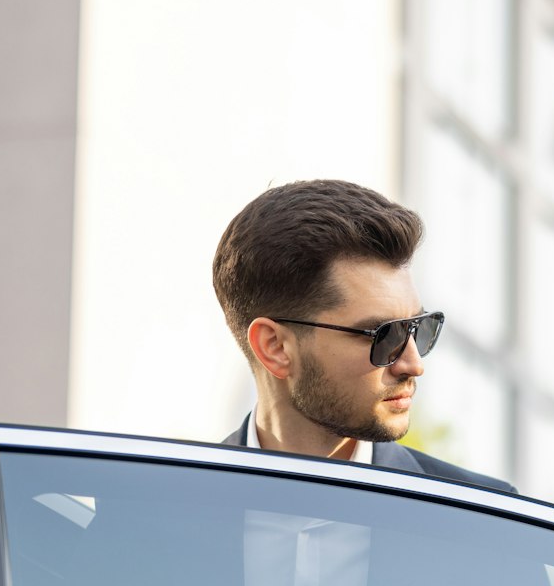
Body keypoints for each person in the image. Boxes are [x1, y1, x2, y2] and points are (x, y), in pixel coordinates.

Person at [211, 177, 506, 491]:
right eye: (383, 335)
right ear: (275, 347)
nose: (413, 364)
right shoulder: (169, 509)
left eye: (417, 327)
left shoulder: (485, 519)